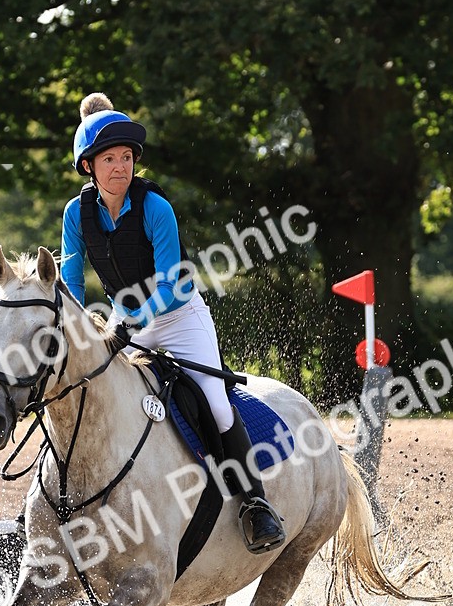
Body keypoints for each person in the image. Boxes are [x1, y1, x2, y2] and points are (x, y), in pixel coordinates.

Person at [61, 92, 285, 554]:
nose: (120, 167)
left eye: (127, 158)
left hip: (180, 319)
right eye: (109, 159)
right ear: (88, 165)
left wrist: (128, 323)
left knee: (216, 404)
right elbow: (70, 277)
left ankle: (254, 505)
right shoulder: (75, 214)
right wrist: (78, 326)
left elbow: (171, 285)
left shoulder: (155, 208)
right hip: (126, 322)